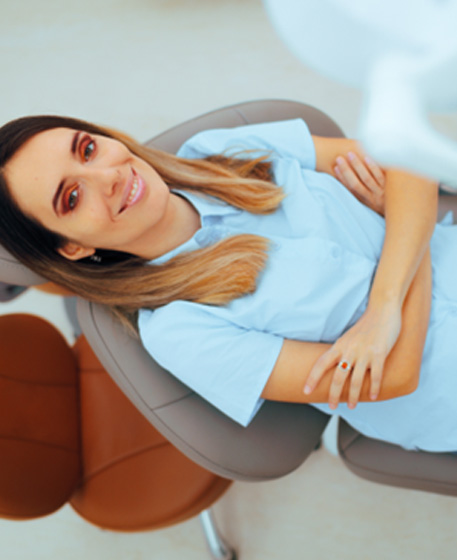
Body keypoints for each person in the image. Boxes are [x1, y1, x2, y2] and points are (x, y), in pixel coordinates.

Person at [0, 114, 455, 453]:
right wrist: (402, 223)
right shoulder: (180, 331)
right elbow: (396, 376)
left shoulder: (221, 151)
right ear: (72, 248)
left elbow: (409, 158)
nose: (110, 176)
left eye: (87, 150)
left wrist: (385, 302)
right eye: (73, 198)